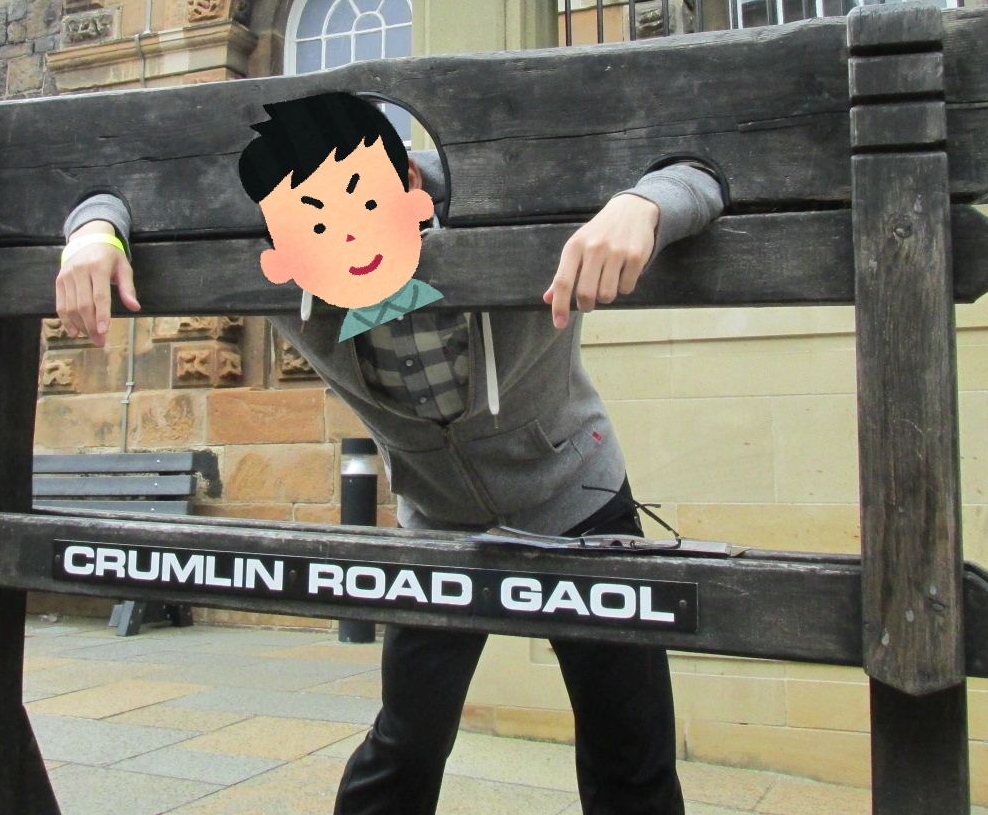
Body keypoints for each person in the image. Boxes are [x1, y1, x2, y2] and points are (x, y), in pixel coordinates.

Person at [56, 92, 725, 815]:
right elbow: (112, 185)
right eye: (317, 221)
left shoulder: (502, 186)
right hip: (435, 518)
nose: (350, 234)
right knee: (407, 742)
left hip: (579, 497)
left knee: (629, 746)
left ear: (408, 178)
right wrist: (94, 228)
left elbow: (703, 168)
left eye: (364, 199)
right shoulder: (267, 253)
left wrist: (642, 203)